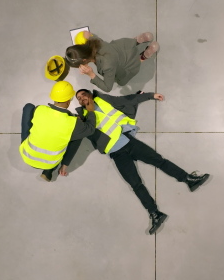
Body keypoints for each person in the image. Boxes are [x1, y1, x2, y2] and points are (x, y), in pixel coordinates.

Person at [74, 88, 210, 235]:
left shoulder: (104, 100)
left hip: (129, 142)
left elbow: (127, 100)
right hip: (116, 153)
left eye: (83, 95)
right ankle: (155, 214)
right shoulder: (83, 118)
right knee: (135, 184)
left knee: (159, 161)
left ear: (90, 94)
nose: (81, 99)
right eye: (79, 98)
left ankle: (189, 179)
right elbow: (83, 135)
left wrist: (150, 96)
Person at [20, 81, 96, 181]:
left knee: (29, 107)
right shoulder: (73, 123)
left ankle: (48, 168)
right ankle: (50, 170)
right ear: (69, 100)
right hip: (50, 163)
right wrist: (90, 111)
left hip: (27, 156)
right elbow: (90, 129)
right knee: (78, 134)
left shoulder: (39, 109)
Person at [65, 32, 160, 92]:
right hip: (122, 46)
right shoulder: (92, 41)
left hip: (127, 62)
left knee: (122, 81)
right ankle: (138, 40)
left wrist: (91, 74)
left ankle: (142, 57)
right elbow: (86, 33)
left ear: (84, 60)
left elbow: (107, 88)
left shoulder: (106, 66)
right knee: (129, 43)